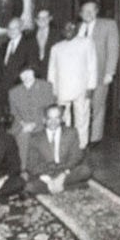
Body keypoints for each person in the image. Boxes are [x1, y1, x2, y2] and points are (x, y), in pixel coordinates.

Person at [49, 14, 99, 143]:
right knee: (63, 118)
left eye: (71, 27)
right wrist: (53, 91)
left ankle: (81, 145)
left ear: (76, 28)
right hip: (62, 89)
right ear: (62, 31)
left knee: (82, 118)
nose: (68, 30)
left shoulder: (86, 42)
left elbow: (92, 66)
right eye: (65, 28)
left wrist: (91, 87)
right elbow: (52, 71)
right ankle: (64, 144)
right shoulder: (56, 48)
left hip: (81, 89)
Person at [80, 0, 120, 141]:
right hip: (80, 76)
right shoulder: (77, 28)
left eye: (92, 10)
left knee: (97, 106)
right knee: (82, 107)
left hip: (100, 73)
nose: (88, 13)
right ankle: (82, 136)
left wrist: (110, 72)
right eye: (85, 11)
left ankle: (95, 138)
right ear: (81, 13)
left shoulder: (108, 25)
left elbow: (113, 48)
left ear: (96, 11)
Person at [32, 105, 87, 194]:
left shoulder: (71, 133)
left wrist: (63, 175)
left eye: (57, 118)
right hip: (46, 173)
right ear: (44, 120)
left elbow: (76, 156)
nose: (53, 122)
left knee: (85, 170)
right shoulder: (36, 138)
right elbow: (32, 164)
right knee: (29, 186)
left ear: (62, 119)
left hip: (65, 171)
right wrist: (48, 180)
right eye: (50, 118)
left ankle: (55, 187)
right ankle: (69, 187)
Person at [9, 61, 55, 155]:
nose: (26, 75)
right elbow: (14, 113)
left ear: (34, 72)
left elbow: (49, 110)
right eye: (22, 73)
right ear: (19, 76)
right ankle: (23, 168)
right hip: (22, 125)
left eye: (29, 72)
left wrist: (35, 123)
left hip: (42, 123)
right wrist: (23, 124)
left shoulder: (46, 86)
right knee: (23, 135)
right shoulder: (13, 92)